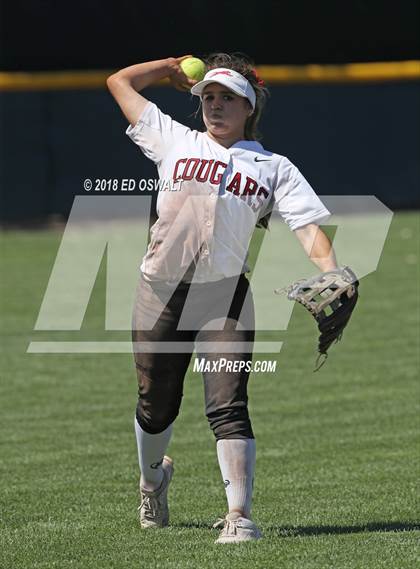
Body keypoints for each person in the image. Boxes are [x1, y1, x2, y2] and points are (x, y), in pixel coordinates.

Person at [107, 53, 337, 544]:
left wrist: (331, 271)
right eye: (208, 97)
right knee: (155, 404)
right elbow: (119, 82)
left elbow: (306, 227)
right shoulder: (174, 138)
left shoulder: (273, 167)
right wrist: (165, 68)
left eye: (226, 97)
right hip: (160, 290)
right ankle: (152, 480)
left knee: (228, 404)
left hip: (224, 296)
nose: (213, 105)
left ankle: (240, 516)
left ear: (248, 106)